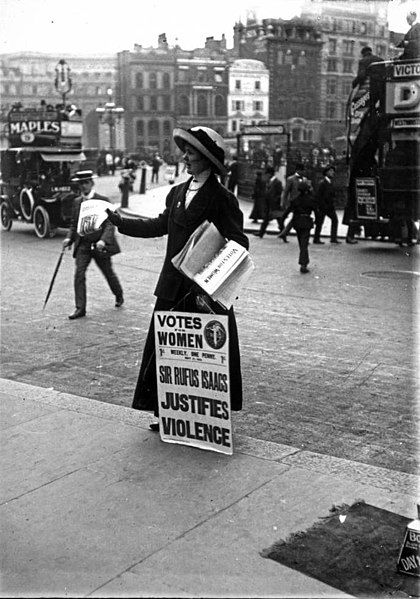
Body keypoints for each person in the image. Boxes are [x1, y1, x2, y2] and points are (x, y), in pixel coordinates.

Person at [105, 126, 249, 431]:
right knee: (167, 350)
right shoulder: (178, 192)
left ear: (207, 159)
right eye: (185, 151)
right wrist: (120, 221)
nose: (185, 157)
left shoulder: (222, 198)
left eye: (191, 153)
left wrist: (210, 274)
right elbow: (160, 225)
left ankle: (204, 416)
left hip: (202, 293)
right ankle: (167, 411)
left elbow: (239, 244)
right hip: (172, 287)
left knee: (203, 356)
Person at [62, 170, 124, 320]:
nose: (83, 186)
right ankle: (80, 308)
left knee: (108, 272)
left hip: (99, 245)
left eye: (86, 182)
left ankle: (118, 294)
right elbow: (74, 224)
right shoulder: (77, 202)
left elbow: (110, 224)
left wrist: (103, 240)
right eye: (80, 183)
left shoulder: (102, 200)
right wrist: (69, 238)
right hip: (83, 245)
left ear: (92, 183)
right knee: (79, 275)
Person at [278, 162, 311, 242]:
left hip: (302, 203)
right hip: (293, 202)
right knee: (286, 218)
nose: (303, 172)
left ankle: (284, 233)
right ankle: (284, 232)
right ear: (298, 170)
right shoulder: (291, 179)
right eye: (302, 170)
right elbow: (286, 192)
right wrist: (283, 202)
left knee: (295, 218)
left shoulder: (305, 179)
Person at [289, 180, 316, 273]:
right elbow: (317, 211)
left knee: (301, 243)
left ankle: (304, 261)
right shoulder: (310, 199)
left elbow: (288, 210)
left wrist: (282, 219)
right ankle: (303, 264)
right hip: (307, 222)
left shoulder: (295, 199)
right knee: (304, 243)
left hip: (297, 223)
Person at [253, 167, 284, 238]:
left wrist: (276, 201)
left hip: (274, 204)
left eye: (267, 174)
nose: (266, 175)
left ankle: (283, 233)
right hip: (268, 203)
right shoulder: (269, 181)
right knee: (266, 219)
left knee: (279, 220)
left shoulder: (277, 182)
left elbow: (279, 193)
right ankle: (261, 233)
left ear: (270, 174)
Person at [313, 165, 341, 244]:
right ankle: (317, 238)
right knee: (320, 222)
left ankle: (333, 238)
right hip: (323, 206)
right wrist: (321, 205)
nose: (333, 173)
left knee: (334, 220)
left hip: (329, 206)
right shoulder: (322, 183)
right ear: (326, 172)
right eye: (331, 171)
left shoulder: (330, 182)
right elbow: (319, 196)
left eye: (333, 171)